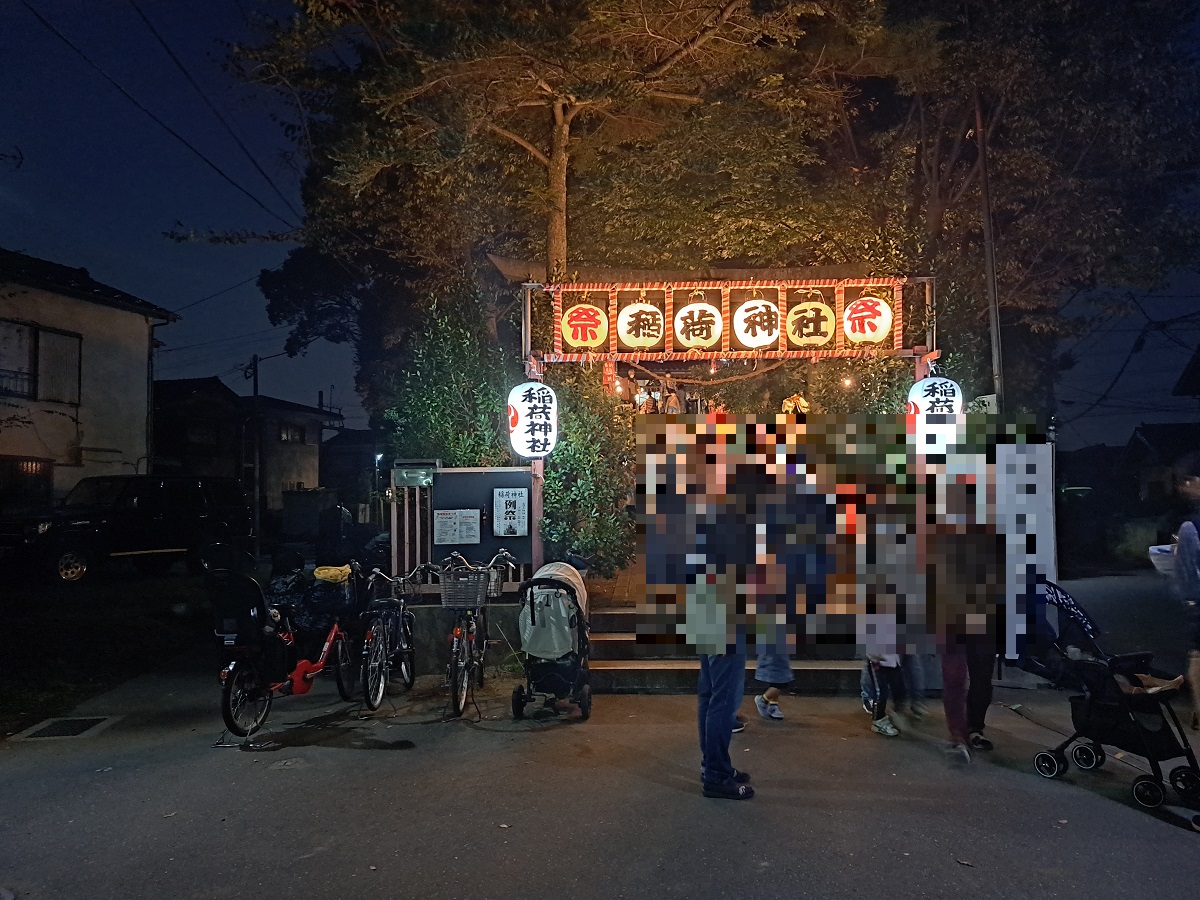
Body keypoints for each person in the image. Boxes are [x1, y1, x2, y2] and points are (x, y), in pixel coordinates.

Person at [1172, 471, 1200, 731]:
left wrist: (1190, 601)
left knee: (1198, 658)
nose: (1184, 488)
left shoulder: (1191, 526)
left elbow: (1187, 575)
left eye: (1187, 481)